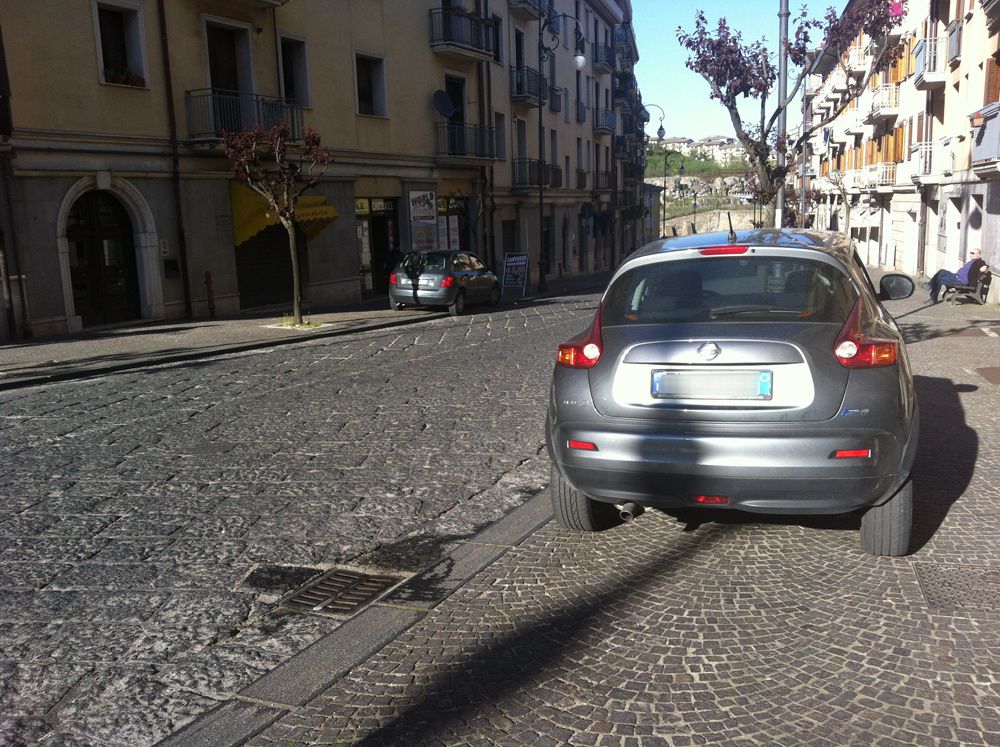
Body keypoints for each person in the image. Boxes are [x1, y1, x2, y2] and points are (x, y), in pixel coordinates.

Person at [922, 249, 988, 303]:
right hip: (956, 277)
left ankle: (930, 287)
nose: (971, 254)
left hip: (960, 281)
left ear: (978, 255)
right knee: (940, 277)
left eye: (973, 253)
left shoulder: (979, 262)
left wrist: (985, 267)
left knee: (941, 273)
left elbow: (985, 266)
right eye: (970, 253)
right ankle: (932, 296)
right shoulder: (972, 261)